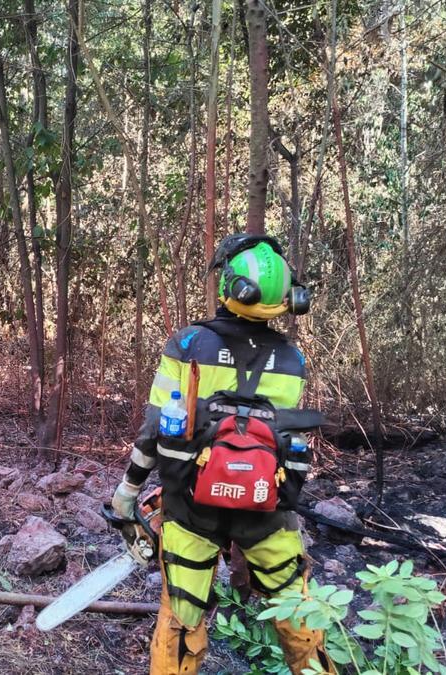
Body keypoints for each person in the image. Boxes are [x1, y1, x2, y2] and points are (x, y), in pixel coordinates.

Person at [111, 234, 334, 675]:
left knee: (181, 618)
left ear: (229, 287)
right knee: (299, 615)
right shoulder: (293, 360)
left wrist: (127, 492)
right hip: (267, 511)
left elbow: (155, 429)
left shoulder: (188, 344)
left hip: (191, 507)